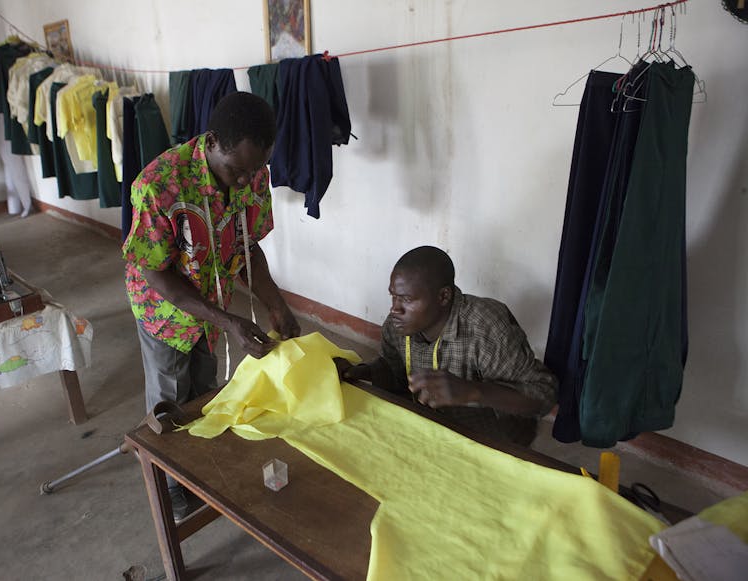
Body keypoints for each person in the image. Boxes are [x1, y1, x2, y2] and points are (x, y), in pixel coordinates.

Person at [122, 91, 300, 519]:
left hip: (212, 302)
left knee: (205, 392)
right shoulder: (160, 184)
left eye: (255, 170)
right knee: (169, 401)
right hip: (164, 310)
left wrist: (275, 304)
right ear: (214, 141)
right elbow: (156, 272)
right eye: (238, 170)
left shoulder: (252, 172)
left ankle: (198, 468)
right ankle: (170, 484)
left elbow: (246, 246)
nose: (246, 181)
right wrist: (229, 320)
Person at [336, 246, 557, 446]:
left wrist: (474, 391)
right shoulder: (398, 325)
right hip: (432, 434)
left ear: (443, 296)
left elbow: (544, 394)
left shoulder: (485, 327)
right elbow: (396, 373)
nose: (395, 309)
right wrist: (361, 371)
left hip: (493, 443)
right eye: (393, 296)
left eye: (406, 299)